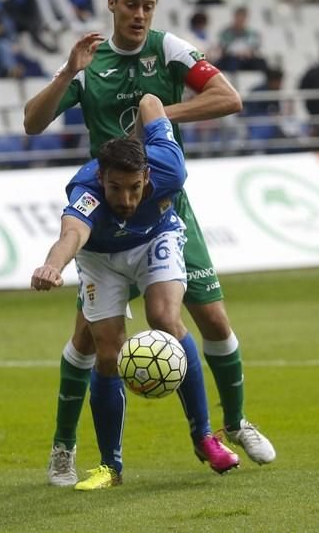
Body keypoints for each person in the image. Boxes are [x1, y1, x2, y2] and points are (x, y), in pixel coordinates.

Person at [24, 0, 276, 487]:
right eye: (131, 4)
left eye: (148, 6)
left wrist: (160, 120)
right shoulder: (91, 62)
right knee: (93, 343)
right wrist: (68, 72)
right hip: (106, 205)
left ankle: (233, 424)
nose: (139, 15)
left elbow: (230, 98)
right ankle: (68, 449)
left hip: (161, 203)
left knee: (210, 320)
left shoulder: (170, 50)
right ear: (112, 3)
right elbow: (32, 122)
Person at [31, 93, 240, 490]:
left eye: (134, 188)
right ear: (101, 180)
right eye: (115, 188)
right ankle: (111, 466)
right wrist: (51, 266)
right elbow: (71, 235)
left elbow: (149, 100)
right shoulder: (86, 192)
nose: (125, 199)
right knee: (107, 353)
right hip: (101, 259)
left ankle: (205, 438)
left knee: (165, 319)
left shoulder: (169, 166)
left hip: (155, 239)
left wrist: (145, 120)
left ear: (147, 175)